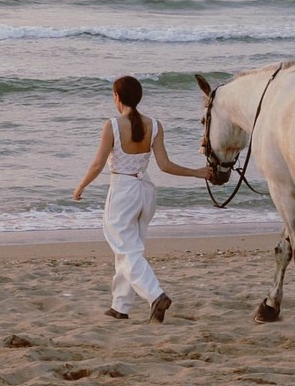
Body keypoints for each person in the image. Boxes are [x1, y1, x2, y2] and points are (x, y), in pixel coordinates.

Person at [71, 74, 211, 322]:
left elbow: (97, 165)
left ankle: (156, 295)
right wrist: (197, 173)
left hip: (123, 190)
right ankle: (121, 306)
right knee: (129, 249)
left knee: (126, 251)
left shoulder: (112, 125)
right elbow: (165, 166)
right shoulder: (155, 125)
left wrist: (80, 186)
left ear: (117, 97)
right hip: (145, 191)